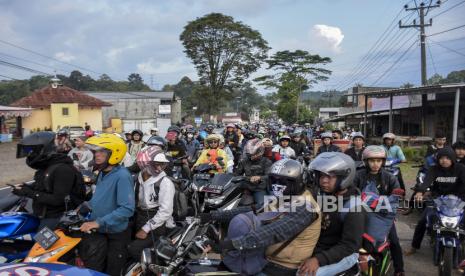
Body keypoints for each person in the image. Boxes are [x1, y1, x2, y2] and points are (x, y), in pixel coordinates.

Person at [202, 159, 321, 276]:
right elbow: (253, 209)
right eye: (274, 180)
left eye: (284, 181)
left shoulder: (306, 206)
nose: (277, 185)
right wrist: (212, 215)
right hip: (266, 257)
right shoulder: (287, 197)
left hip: (282, 266)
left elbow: (274, 232)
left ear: (299, 182)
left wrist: (229, 245)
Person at [299, 152, 365, 276]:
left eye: (331, 176)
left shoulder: (353, 207)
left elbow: (349, 245)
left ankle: (353, 270)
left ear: (344, 178)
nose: (323, 181)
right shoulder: (322, 196)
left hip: (345, 254)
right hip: (319, 249)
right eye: (321, 176)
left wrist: (318, 259)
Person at [78, 134, 135, 276]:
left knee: (111, 271)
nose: (97, 155)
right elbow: (100, 198)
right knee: (95, 268)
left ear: (114, 154)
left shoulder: (122, 176)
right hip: (101, 231)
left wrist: (97, 222)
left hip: (115, 234)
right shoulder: (102, 173)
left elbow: (127, 209)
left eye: (102, 152)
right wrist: (83, 208)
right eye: (96, 151)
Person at [13, 131, 85, 230]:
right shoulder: (46, 166)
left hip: (57, 217)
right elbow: (46, 186)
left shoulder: (63, 169)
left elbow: (58, 199)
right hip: (42, 214)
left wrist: (28, 192)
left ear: (44, 149)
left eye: (33, 150)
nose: (30, 154)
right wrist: (26, 187)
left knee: (39, 244)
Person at [353, 145, 405, 275]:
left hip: (384, 216)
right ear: (366, 161)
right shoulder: (358, 175)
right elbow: (351, 193)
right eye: (372, 161)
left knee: (394, 240)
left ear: (383, 161)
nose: (375, 164)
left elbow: (396, 196)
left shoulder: (390, 177)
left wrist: (385, 203)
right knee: (349, 237)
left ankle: (399, 269)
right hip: (361, 214)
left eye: (378, 160)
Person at [405, 147, 465, 255]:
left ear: (452, 158)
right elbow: (426, 182)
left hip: (459, 200)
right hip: (438, 199)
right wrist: (420, 192)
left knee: (462, 222)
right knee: (423, 221)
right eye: (441, 158)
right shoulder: (434, 169)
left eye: (447, 158)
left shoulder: (460, 168)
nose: (444, 160)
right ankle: (414, 246)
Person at [127, 147, 175, 260]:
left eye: (162, 165)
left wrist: (146, 228)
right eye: (156, 164)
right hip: (140, 216)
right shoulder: (137, 179)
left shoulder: (165, 182)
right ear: (144, 164)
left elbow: (165, 211)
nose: (159, 168)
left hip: (158, 223)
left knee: (134, 248)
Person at [235, 139, 272, 206]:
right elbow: (236, 174)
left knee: (262, 206)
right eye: (250, 153)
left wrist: (259, 177)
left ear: (261, 151)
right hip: (244, 187)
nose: (252, 155)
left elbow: (269, 176)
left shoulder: (266, 161)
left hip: (259, 188)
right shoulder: (244, 161)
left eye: (254, 153)